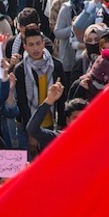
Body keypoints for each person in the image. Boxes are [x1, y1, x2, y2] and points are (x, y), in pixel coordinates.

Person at [14, 23, 66, 159]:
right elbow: (22, 102)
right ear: (25, 47)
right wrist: (31, 134)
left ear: (43, 44)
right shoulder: (20, 69)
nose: (35, 48)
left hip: (51, 124)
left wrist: (61, 125)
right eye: (31, 45)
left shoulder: (56, 65)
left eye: (38, 43)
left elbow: (62, 99)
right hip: (29, 125)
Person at [26, 80, 87, 157]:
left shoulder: (95, 141)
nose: (80, 122)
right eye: (75, 118)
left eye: (84, 118)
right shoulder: (58, 139)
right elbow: (32, 129)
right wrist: (49, 100)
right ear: (68, 121)